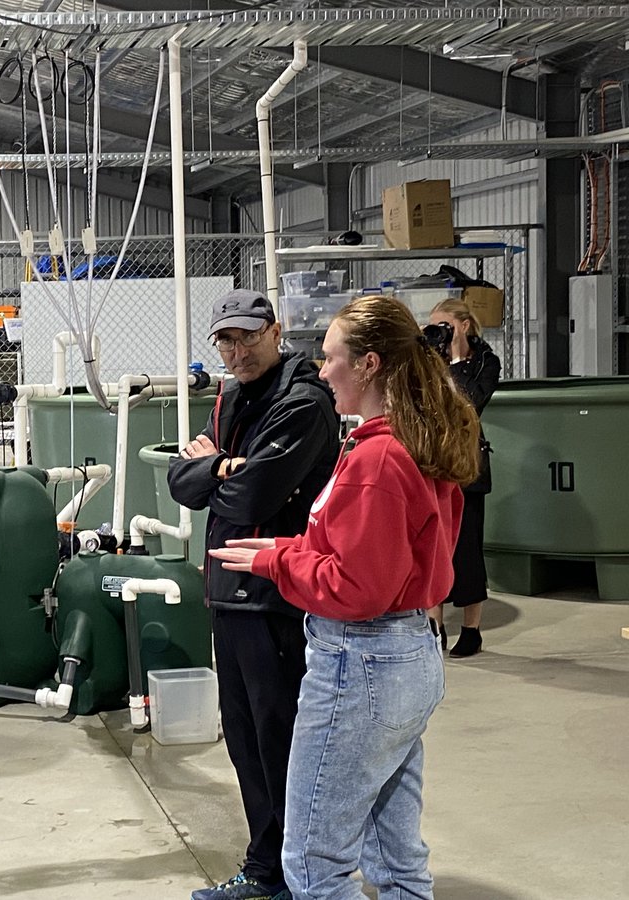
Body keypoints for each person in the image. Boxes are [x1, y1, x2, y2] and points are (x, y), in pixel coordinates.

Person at [210, 294, 481, 900]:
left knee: (313, 863)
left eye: (332, 358)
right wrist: (288, 552)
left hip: (361, 664)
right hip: (408, 656)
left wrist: (277, 558)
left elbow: (356, 587)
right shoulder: (412, 442)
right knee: (394, 854)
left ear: (369, 365)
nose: (321, 368)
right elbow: (368, 559)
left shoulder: (378, 460)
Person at [168, 290, 339, 900]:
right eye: (226, 341)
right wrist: (219, 467)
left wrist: (218, 470)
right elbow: (180, 482)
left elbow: (250, 498)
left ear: (274, 331)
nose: (236, 351)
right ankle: (267, 869)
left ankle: (298, 874)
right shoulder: (233, 397)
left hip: (276, 595)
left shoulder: (304, 402)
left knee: (281, 738)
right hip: (229, 593)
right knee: (244, 740)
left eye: (246, 336)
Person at [425, 298, 501, 658]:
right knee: (434, 545)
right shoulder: (431, 361)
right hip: (434, 462)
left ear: (465, 325)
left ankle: (472, 629)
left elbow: (470, 402)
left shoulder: (485, 362)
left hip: (468, 464)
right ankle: (434, 625)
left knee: (468, 547)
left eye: (445, 325)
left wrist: (449, 362)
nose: (440, 332)